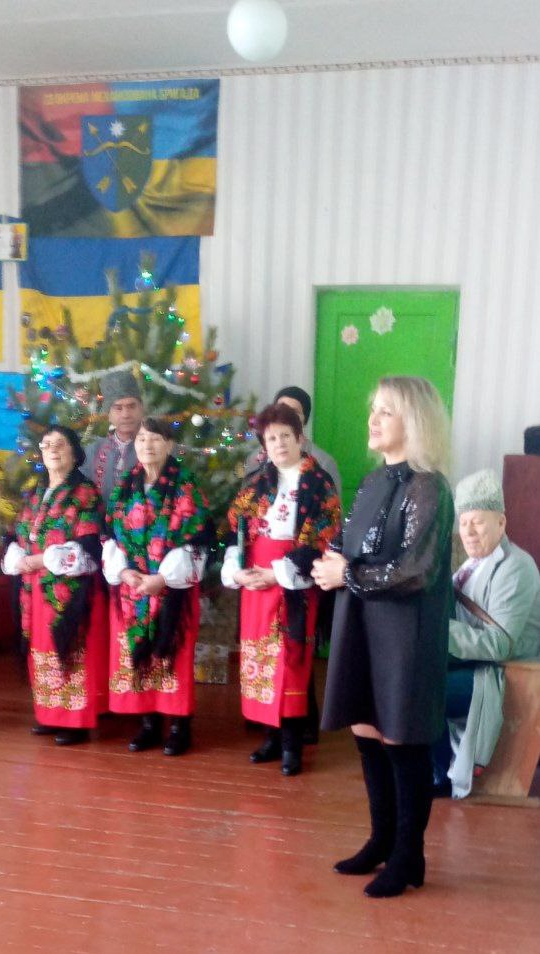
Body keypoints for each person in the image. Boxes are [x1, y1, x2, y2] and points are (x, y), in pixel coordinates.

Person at [313, 376, 453, 899]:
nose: (373, 419)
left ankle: (409, 855)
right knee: (367, 729)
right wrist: (326, 562)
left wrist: (346, 574)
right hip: (364, 621)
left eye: (387, 411)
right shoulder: (374, 481)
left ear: (414, 421)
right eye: (374, 409)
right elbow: (356, 545)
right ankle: (381, 840)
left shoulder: (428, 486)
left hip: (403, 630)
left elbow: (416, 570)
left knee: (401, 737)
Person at [222, 403, 341, 776]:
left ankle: (292, 744)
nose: (279, 444)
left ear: (300, 438)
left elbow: (324, 537)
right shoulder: (256, 483)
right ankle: (271, 738)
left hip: (293, 584)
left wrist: (277, 573)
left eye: (285, 436)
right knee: (261, 662)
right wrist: (239, 571)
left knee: (290, 663)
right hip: (256, 585)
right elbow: (236, 529)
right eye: (271, 438)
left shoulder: (319, 484)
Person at [102, 417, 212, 756]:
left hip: (171, 588)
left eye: (155, 438)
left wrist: (162, 578)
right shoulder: (125, 486)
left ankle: (179, 725)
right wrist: (124, 572)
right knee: (136, 653)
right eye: (141, 439)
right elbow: (111, 533)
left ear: (169, 444)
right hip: (132, 589)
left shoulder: (185, 485)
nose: (147, 445)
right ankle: (148, 723)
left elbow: (196, 538)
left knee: (173, 654)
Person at [433, 469, 540, 798]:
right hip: (474, 663)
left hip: (501, 674)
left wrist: (437, 631)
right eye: (463, 522)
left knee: (426, 691)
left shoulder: (516, 566)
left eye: (478, 522)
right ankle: (432, 770)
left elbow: (500, 645)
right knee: (409, 677)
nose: (468, 531)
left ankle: (439, 775)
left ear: (501, 523)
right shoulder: (471, 565)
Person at [2, 425, 107, 745]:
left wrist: (42, 559)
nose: (52, 450)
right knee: (41, 649)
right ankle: (50, 714)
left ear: (75, 453)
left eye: (60, 444)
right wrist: (19, 556)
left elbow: (89, 545)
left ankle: (75, 721)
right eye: (47, 445)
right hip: (35, 589)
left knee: (70, 648)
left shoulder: (85, 492)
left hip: (70, 589)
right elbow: (19, 533)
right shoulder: (36, 493)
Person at [244, 386, 341, 496]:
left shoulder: (324, 463)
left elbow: (333, 503)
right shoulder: (255, 457)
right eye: (281, 410)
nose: (286, 416)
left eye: (294, 412)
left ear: (305, 419)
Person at [81, 369, 144, 500]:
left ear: (141, 409)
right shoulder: (92, 451)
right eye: (118, 408)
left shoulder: (156, 448)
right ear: (108, 414)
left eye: (132, 406)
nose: (126, 414)